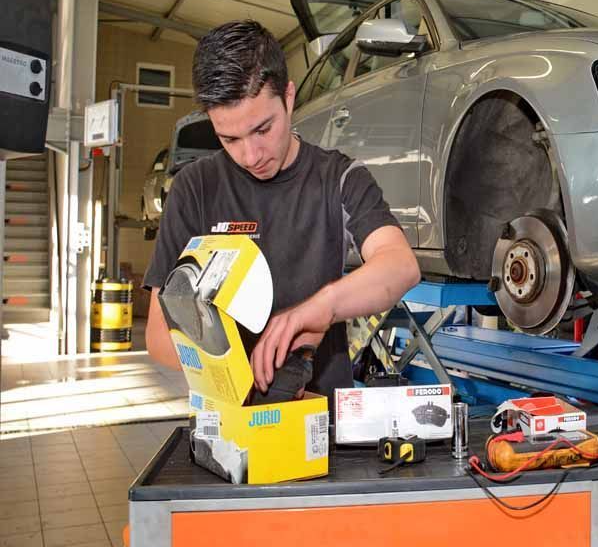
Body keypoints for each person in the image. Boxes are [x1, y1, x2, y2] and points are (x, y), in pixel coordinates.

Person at [144, 20, 420, 404]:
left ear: (289, 98)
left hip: (321, 420)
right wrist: (250, 376)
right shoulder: (195, 189)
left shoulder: (338, 178)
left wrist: (321, 309)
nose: (251, 155)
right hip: (232, 423)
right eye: (229, 139)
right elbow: (160, 337)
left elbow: (400, 265)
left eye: (262, 129)